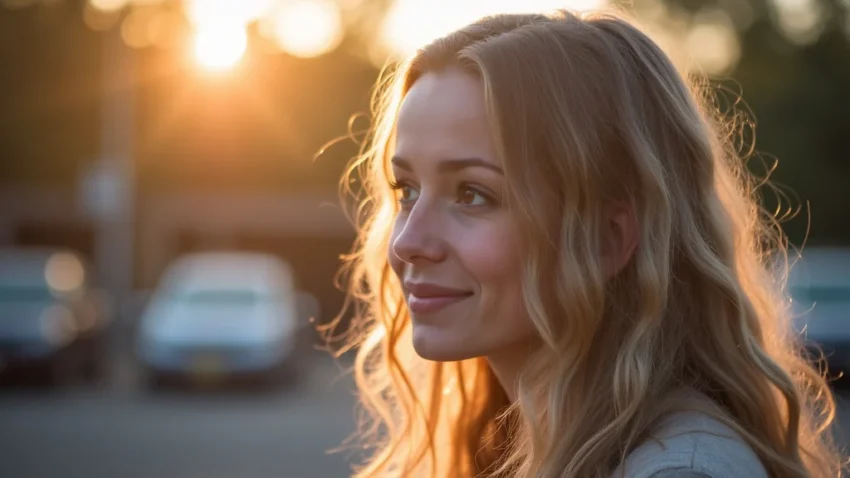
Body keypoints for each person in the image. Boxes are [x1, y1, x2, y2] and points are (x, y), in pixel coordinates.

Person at [325, 8, 846, 478]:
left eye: (473, 194)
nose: (409, 242)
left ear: (607, 238)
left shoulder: (681, 471)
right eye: (407, 190)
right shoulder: (508, 445)